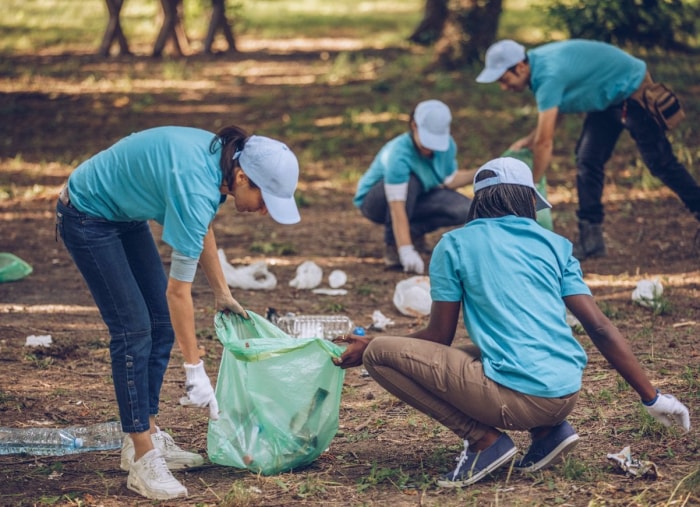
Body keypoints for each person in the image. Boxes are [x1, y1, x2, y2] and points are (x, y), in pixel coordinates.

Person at [334, 157, 691, 488]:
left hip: (520, 399)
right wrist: (652, 397)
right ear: (527, 201)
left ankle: (484, 441)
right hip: (565, 392)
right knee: (475, 352)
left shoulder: (454, 244)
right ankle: (549, 433)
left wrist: (374, 345)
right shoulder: (556, 244)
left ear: (477, 202)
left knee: (380, 354)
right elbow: (600, 327)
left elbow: (438, 337)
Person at [56, 125, 300, 500]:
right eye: (265, 198)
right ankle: (142, 458)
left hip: (124, 214)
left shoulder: (219, 167)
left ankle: (146, 433)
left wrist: (222, 293)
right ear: (242, 176)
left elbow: (199, 227)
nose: (265, 210)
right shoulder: (197, 184)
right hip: (88, 214)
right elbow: (178, 292)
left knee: (158, 325)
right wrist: (194, 368)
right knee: (133, 330)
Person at [475, 39, 700, 259]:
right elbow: (555, 113)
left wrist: (532, 186)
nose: (504, 88)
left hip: (631, 90)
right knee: (588, 159)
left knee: (661, 163)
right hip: (606, 99)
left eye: (505, 80)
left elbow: (545, 142)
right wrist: (529, 139)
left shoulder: (548, 75)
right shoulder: (538, 68)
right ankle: (591, 240)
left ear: (521, 66)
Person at [353, 99, 475, 274]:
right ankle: (394, 245)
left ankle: (412, 233)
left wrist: (482, 171)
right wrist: (406, 250)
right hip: (376, 202)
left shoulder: (448, 147)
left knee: (465, 209)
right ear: (414, 125)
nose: (431, 148)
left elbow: (450, 181)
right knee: (411, 180)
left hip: (418, 196)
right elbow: (397, 207)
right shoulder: (399, 153)